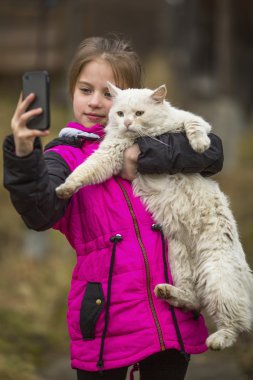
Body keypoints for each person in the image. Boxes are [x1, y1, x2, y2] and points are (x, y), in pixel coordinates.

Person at [3, 36, 224, 380]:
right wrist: (22, 153)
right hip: (105, 319)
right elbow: (40, 211)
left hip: (169, 316)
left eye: (108, 93)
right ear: (72, 90)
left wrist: (142, 157)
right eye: (85, 89)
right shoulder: (65, 155)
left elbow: (212, 154)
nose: (94, 102)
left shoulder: (156, 138)